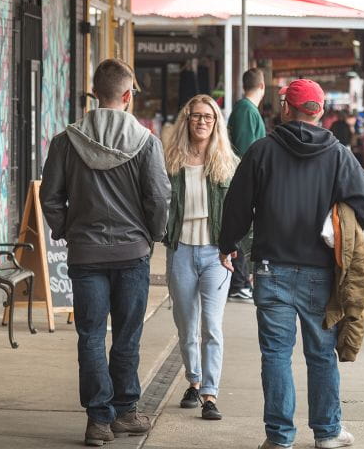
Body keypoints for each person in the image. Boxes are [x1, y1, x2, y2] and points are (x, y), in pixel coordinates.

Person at [218, 79, 364, 449]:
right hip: (319, 273)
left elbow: (238, 206)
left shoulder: (261, 152)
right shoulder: (338, 154)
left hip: (271, 269)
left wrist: (227, 246)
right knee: (321, 353)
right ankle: (326, 433)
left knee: (275, 354)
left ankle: (279, 438)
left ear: (285, 108)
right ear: (319, 111)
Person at [40, 59, 171, 447]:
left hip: (86, 255)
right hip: (133, 254)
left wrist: (67, 229)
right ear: (128, 96)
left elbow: (51, 198)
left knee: (91, 336)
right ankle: (126, 412)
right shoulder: (147, 142)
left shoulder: (66, 141)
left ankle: (98, 421)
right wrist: (153, 235)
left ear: (95, 92)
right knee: (128, 335)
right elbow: (160, 197)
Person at [163, 94, 239, 422]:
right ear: (187, 119)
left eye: (209, 117)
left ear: (216, 122)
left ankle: (210, 393)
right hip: (180, 249)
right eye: (196, 116)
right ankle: (193, 380)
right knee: (185, 324)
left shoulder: (225, 162)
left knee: (212, 325)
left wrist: (234, 247)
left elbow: (240, 209)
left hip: (215, 255)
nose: (202, 122)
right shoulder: (171, 160)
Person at [225, 68, 266, 302]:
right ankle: (239, 283)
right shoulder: (246, 112)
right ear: (262, 86)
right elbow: (245, 151)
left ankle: (240, 281)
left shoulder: (245, 110)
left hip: (244, 179)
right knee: (241, 230)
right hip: (242, 180)